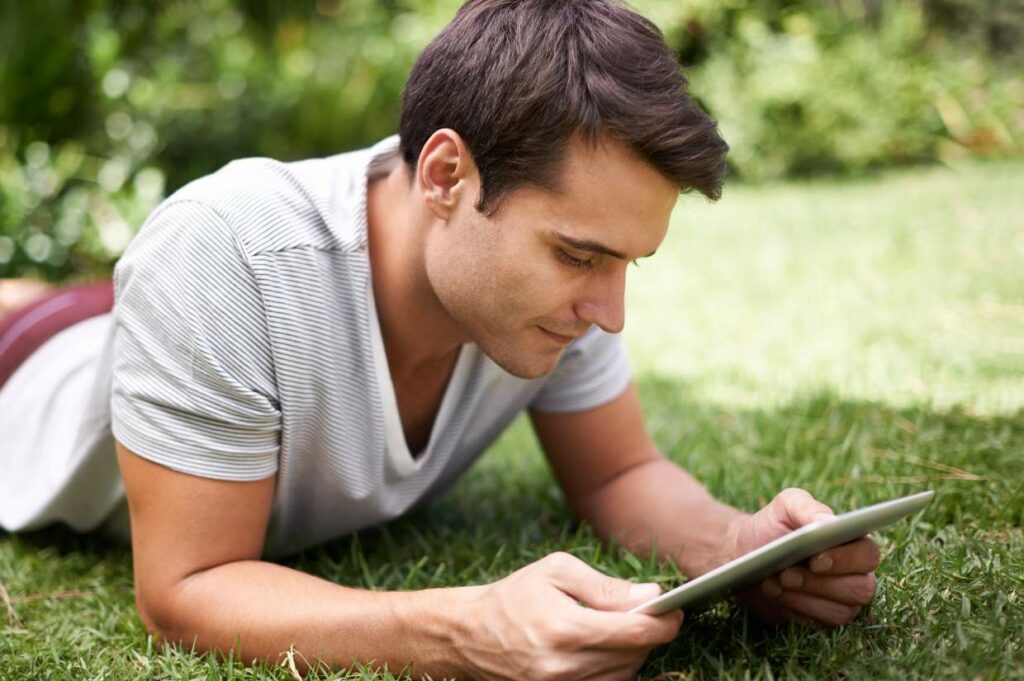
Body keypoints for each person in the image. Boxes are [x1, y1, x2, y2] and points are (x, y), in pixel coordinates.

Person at [0, 1, 881, 678]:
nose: (609, 313)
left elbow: (620, 473)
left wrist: (742, 548)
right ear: (447, 175)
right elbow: (186, 590)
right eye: (579, 255)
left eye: (627, 266)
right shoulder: (220, 252)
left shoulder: (541, 293)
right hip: (36, 367)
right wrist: (463, 629)